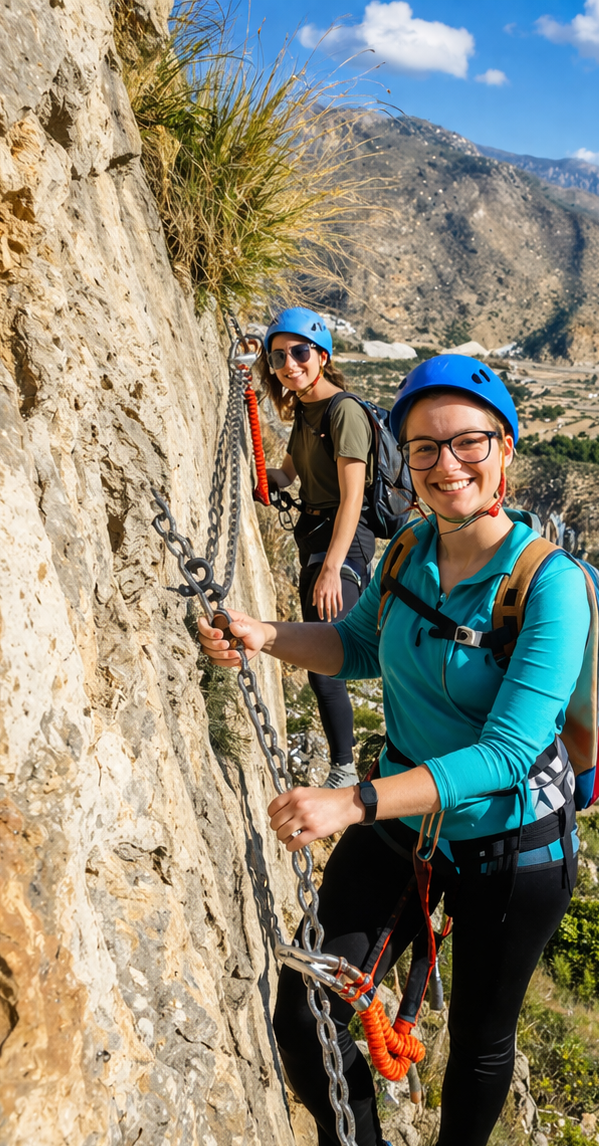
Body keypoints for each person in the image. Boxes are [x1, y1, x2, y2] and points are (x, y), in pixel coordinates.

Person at [198, 355, 590, 1146]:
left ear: (506, 450)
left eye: (468, 444)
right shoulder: (412, 548)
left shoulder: (548, 587)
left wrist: (352, 801)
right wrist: (267, 635)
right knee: (307, 1011)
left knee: (485, 1042)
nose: (447, 466)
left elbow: (505, 752)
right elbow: (357, 644)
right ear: (403, 460)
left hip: (511, 847)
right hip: (403, 823)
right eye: (423, 451)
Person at [259, 307, 376, 790]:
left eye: (300, 352)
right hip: (316, 539)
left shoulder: (342, 411)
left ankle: (345, 772)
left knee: (328, 658)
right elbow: (290, 474)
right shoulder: (306, 412)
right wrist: (262, 478)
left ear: (322, 355)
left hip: (341, 547)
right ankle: (344, 765)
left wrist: (333, 569)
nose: (290, 364)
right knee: (317, 662)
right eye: (279, 356)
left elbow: (353, 496)